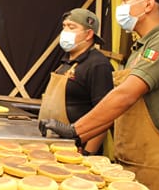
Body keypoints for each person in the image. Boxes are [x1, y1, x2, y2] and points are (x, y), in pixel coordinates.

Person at [39, 0, 159, 190]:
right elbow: (118, 109)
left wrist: (75, 131)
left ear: (149, 4)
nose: (121, 7)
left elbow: (125, 96)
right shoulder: (139, 50)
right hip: (132, 166)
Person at [38, 8, 113, 155]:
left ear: (89, 34)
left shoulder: (98, 64)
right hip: (53, 146)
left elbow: (105, 116)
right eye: (64, 26)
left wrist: (87, 153)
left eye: (72, 27)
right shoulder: (65, 63)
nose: (65, 31)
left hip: (76, 149)